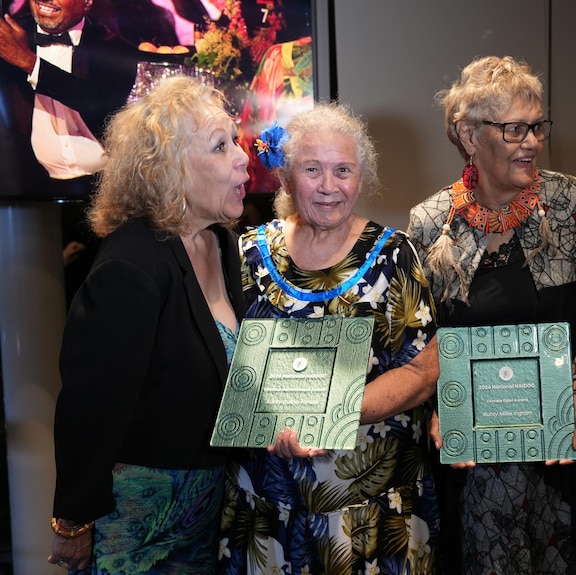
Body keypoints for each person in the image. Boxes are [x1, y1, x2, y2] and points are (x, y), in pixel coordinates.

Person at [218, 102, 441, 575]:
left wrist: (329, 413)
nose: (328, 186)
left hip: (368, 512)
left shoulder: (393, 254)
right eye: (312, 169)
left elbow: (423, 371)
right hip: (267, 508)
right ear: (285, 177)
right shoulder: (248, 254)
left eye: (343, 170)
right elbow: (225, 360)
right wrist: (272, 423)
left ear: (362, 177)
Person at [407, 55, 576, 575]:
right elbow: (427, 341)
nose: (533, 142)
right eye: (515, 129)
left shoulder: (567, 202)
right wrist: (437, 407)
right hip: (474, 455)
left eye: (537, 127)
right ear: (469, 135)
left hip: (556, 443)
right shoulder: (430, 223)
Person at [47, 75, 249, 573]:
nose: (243, 158)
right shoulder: (131, 266)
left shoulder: (218, 244)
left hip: (208, 506)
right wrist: (72, 521)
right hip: (138, 522)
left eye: (236, 141)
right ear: (171, 170)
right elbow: (90, 409)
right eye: (221, 146)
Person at [0, 0, 139, 198]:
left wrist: (29, 63)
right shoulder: (11, 37)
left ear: (87, 3)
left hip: (103, 190)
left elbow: (97, 103)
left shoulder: (115, 47)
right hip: (29, 189)